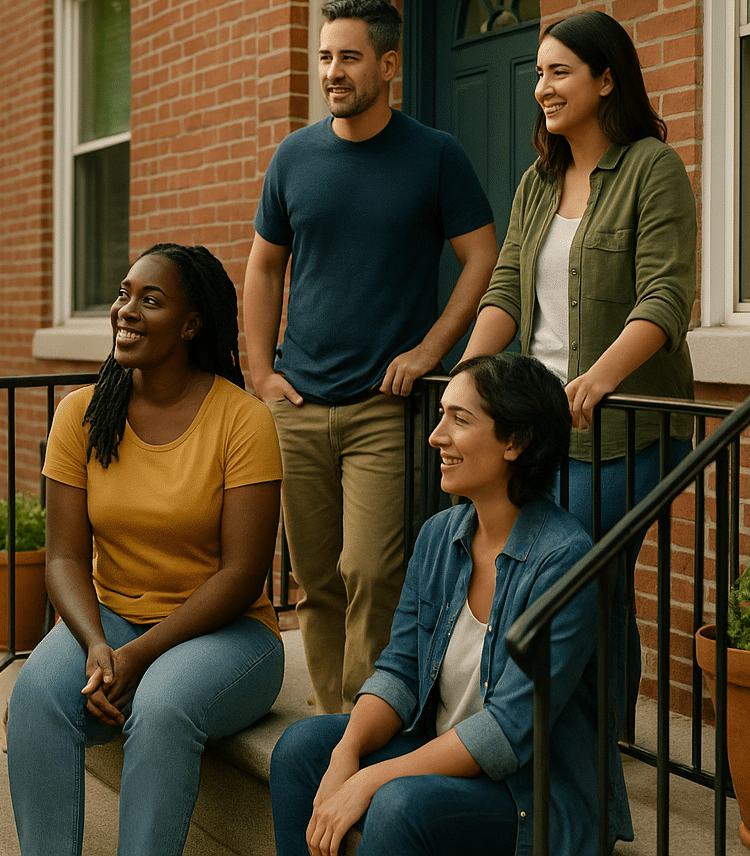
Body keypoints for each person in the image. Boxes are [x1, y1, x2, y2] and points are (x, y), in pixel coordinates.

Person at [244, 0, 499, 714]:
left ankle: (370, 717)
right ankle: (333, 717)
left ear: (388, 64)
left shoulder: (435, 155)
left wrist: (430, 349)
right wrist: (261, 373)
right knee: (317, 577)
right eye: (325, 56)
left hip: (381, 409)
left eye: (349, 57)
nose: (333, 71)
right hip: (298, 404)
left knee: (374, 569)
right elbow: (263, 268)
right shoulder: (293, 156)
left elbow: (482, 257)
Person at [269, 354, 633, 856]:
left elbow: (507, 731)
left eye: (459, 420)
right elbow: (399, 669)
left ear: (515, 442)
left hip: (530, 791)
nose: (436, 435)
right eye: (441, 415)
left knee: (399, 803)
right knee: (301, 750)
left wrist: (371, 779)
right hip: (444, 751)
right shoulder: (441, 536)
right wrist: (346, 755)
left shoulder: (565, 564)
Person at [6, 243, 285, 856]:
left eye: (150, 300)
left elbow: (242, 574)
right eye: (124, 294)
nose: (126, 311)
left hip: (229, 633)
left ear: (191, 325)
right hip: (111, 617)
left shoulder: (242, 420)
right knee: (34, 699)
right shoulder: (80, 415)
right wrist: (100, 645)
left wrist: (137, 656)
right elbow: (64, 559)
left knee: (158, 708)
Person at [462, 9, 697, 729]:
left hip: (622, 431)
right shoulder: (540, 180)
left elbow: (666, 293)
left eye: (559, 71)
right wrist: (470, 374)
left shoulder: (652, 168)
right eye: (538, 72)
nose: (542, 87)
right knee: (545, 587)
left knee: (587, 588)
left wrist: (599, 377)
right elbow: (506, 287)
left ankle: (594, 759)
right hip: (540, 426)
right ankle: (549, 746)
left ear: (605, 79)